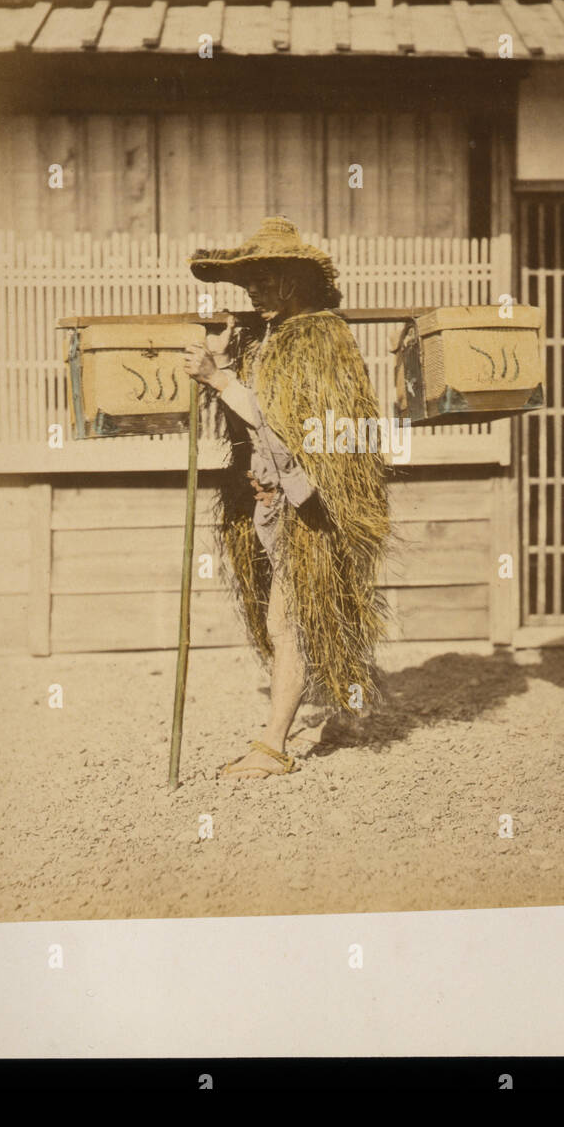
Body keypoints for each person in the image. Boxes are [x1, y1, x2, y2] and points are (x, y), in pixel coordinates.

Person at [180, 217, 389, 779]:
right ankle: (353, 709)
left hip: (315, 505)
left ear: (292, 281)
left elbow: (291, 425)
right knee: (329, 606)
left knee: (289, 618)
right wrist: (224, 364)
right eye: (247, 280)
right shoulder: (272, 339)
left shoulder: (319, 339)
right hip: (277, 500)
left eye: (263, 279)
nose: (251, 291)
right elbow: (254, 419)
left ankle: (273, 747)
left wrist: (220, 379)